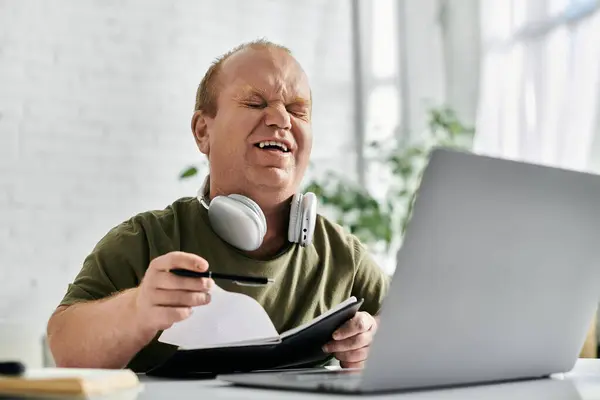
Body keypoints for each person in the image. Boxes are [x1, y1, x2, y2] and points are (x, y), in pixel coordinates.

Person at [46, 39, 390, 373]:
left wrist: (374, 337)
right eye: (256, 103)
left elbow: (419, 334)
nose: (281, 119)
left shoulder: (341, 254)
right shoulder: (146, 239)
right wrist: (138, 308)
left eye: (297, 109)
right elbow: (65, 348)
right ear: (202, 131)